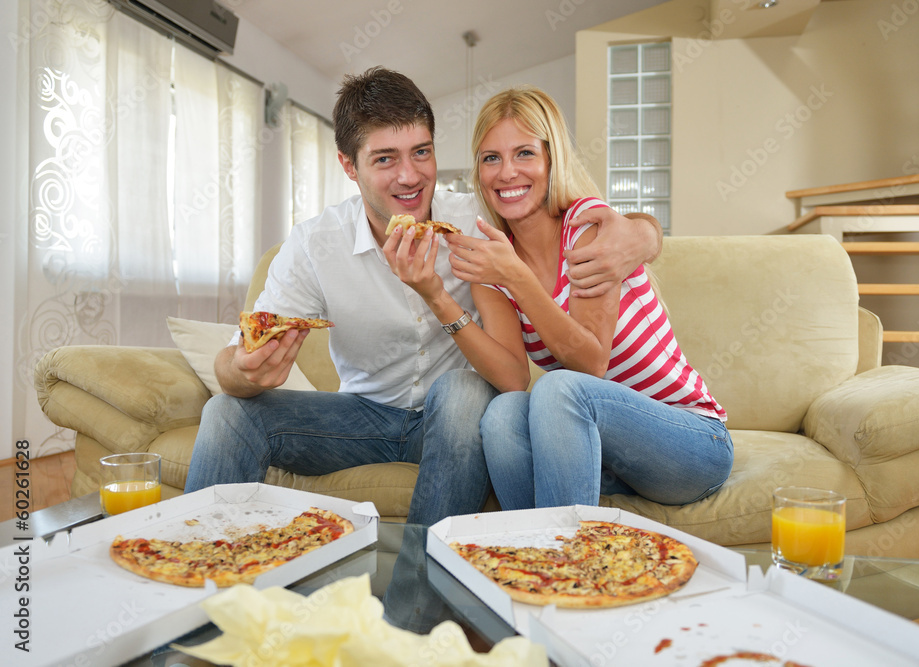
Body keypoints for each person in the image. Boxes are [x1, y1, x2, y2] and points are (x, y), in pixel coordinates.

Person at [183, 69, 663, 630]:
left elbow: (514, 375)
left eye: (422, 152)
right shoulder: (316, 244)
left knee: (462, 391)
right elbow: (232, 361)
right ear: (349, 165)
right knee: (225, 413)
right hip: (363, 416)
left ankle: (407, 631)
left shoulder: (476, 225)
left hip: (454, 421)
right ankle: (193, 620)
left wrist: (645, 231)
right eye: (385, 158)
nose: (410, 176)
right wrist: (244, 369)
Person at [392, 85, 733, 513]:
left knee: (558, 388)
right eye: (491, 158)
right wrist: (437, 296)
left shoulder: (587, 226)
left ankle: (562, 557)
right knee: (503, 413)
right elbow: (513, 378)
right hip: (608, 454)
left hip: (690, 442)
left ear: (552, 160)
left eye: (525, 154)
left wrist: (518, 278)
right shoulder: (494, 261)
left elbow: (591, 364)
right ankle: (534, 558)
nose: (507, 173)